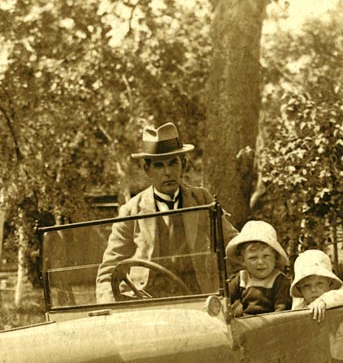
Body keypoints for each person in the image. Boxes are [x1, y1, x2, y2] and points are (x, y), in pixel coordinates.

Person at [95, 123, 238, 303]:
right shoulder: (131, 211)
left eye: (173, 163)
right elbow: (109, 269)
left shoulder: (202, 200)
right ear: (148, 170)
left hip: (198, 298)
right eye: (159, 166)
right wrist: (108, 308)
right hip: (146, 302)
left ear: (183, 164)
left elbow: (233, 243)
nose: (168, 172)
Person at [225, 220, 292, 316]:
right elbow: (224, 301)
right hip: (244, 326)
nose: (260, 262)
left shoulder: (279, 281)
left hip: (270, 326)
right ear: (243, 260)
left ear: (275, 257)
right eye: (253, 258)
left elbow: (281, 313)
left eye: (266, 256)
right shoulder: (241, 279)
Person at [290, 249, 343, 322]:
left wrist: (323, 301)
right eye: (306, 286)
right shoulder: (300, 306)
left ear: (329, 283)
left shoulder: (333, 298)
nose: (313, 290)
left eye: (319, 283)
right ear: (300, 289)